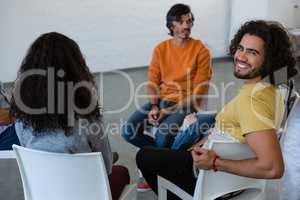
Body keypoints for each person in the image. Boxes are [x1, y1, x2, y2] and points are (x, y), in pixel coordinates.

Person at [136, 20, 298, 200]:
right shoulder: (276, 85)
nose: (241, 57)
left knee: (145, 156)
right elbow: (286, 73)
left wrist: (215, 162)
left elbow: (273, 167)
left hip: (212, 177)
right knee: (190, 129)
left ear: (270, 59)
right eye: (240, 48)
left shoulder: (251, 102)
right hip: (223, 161)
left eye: (252, 52)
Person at [9, 32, 129, 200]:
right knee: (121, 172)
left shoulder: (22, 120)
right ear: (75, 70)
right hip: (87, 193)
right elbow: (107, 167)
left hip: (44, 193)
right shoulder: (87, 118)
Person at [122, 3, 212, 149]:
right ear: (171, 25)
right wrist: (154, 107)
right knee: (128, 131)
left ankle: (159, 159)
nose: (186, 26)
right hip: (162, 100)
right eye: (180, 22)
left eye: (188, 21)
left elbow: (197, 94)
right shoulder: (161, 49)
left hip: (185, 104)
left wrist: (166, 111)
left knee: (162, 137)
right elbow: (153, 82)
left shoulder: (201, 51)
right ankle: (163, 155)